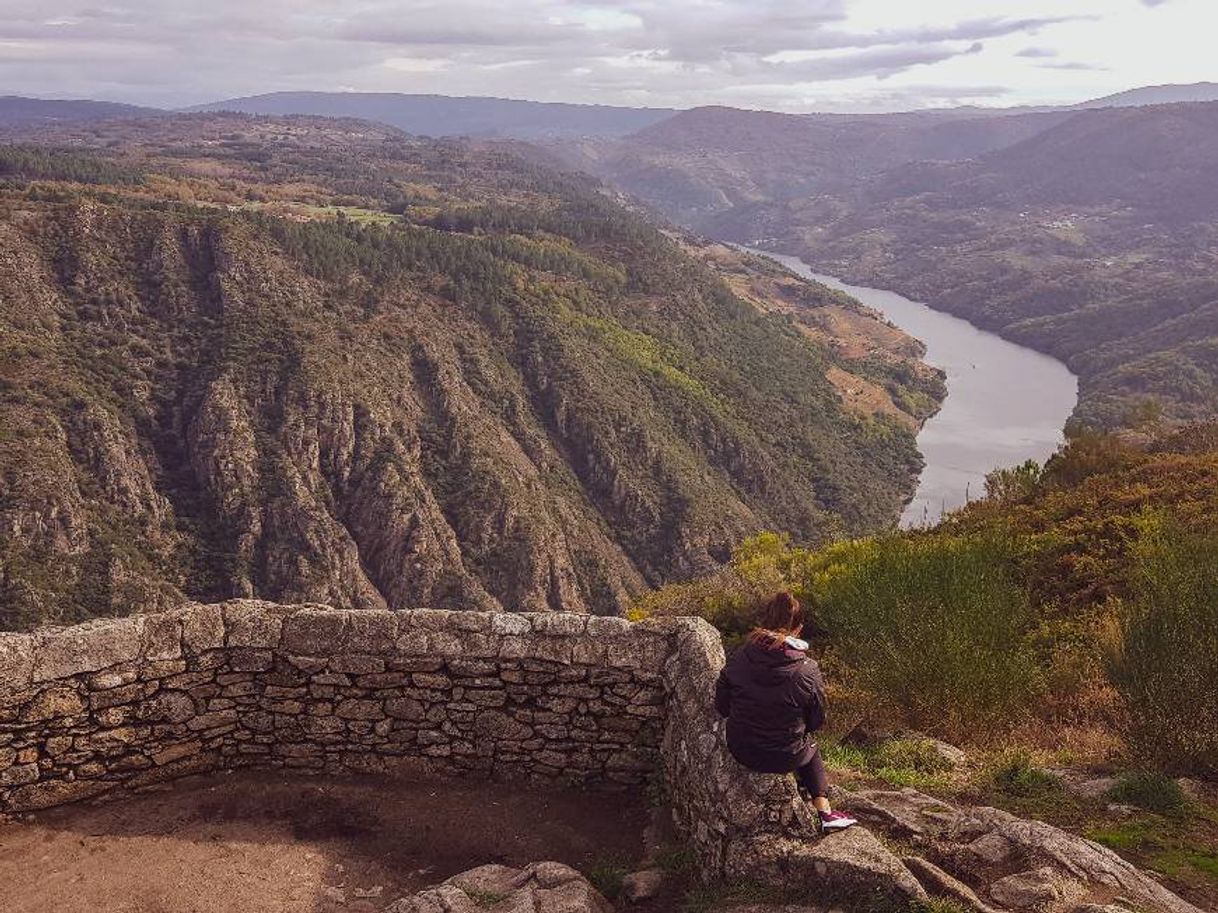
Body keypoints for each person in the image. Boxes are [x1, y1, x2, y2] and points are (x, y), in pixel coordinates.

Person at [714, 591, 857, 832]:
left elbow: (722, 707)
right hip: (785, 757)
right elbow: (816, 720)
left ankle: (822, 809)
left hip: (742, 749)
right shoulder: (807, 670)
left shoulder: (737, 658)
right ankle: (825, 813)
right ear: (798, 629)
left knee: (798, 741)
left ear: (765, 622)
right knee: (810, 748)